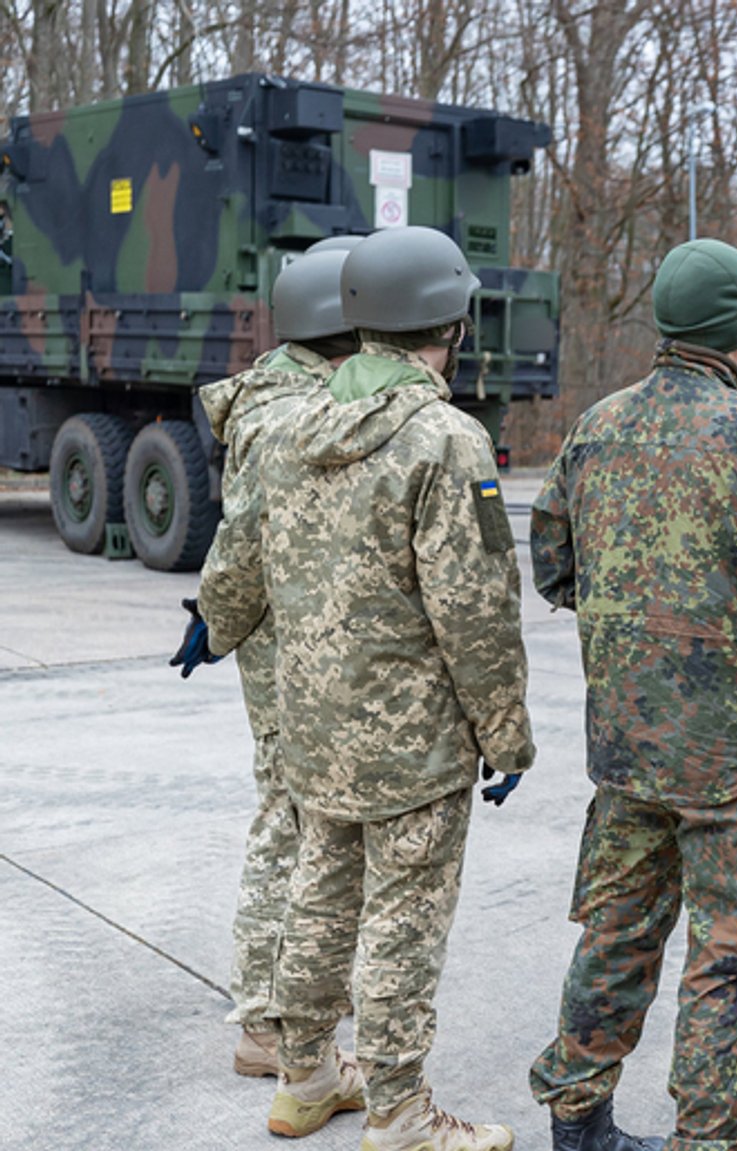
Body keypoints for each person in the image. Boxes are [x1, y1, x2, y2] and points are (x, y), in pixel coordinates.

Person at [526, 238, 737, 1151]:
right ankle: (710, 1134)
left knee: (615, 930)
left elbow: (555, 570)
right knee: (732, 951)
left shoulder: (597, 426)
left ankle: (577, 1120)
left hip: (628, 746)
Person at [200, 224, 531, 1151]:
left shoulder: (290, 428)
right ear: (450, 326)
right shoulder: (445, 441)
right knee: (402, 922)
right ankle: (400, 1113)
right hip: (411, 744)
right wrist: (507, 736)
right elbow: (477, 617)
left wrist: (216, 622)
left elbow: (245, 554)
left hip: (313, 728)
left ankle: (304, 1077)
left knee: (318, 897)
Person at [175, 244, 361, 1078]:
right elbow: (244, 540)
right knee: (293, 821)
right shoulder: (291, 408)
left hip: (298, 641)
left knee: (296, 816)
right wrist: (216, 617)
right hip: (298, 648)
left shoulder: (293, 391)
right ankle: (266, 1020)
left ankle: (282, 1013)